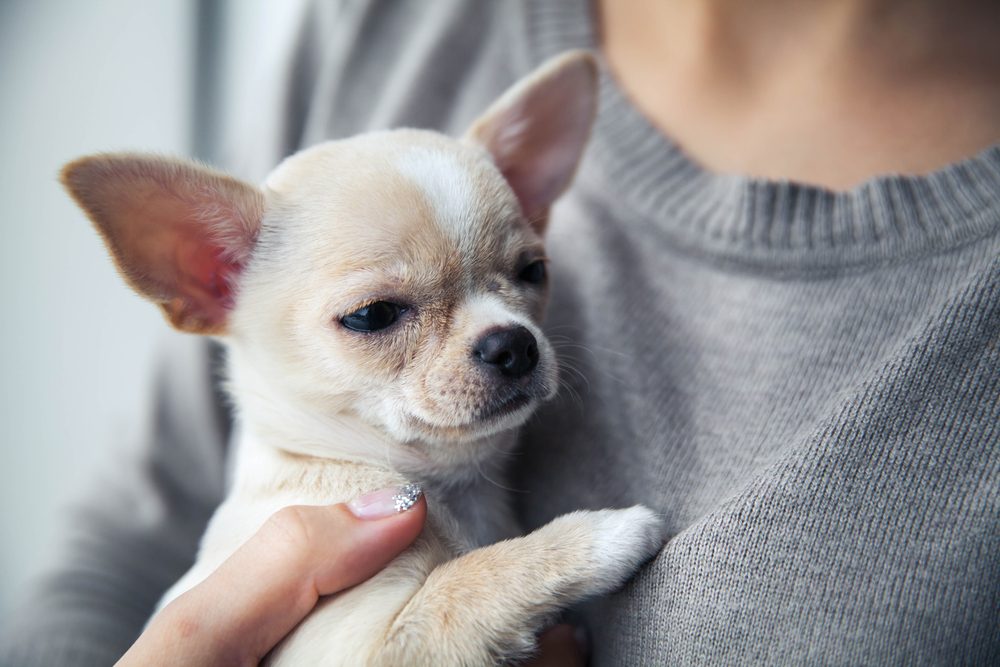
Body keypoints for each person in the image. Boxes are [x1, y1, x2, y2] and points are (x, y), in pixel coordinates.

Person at [2, 0, 998, 664]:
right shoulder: (385, 25)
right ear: (205, 273)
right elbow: (121, 545)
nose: (503, 334)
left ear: (533, 193)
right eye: (379, 315)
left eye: (523, 276)